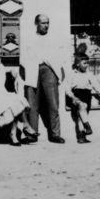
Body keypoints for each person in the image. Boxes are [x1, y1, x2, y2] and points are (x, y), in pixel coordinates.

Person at [19, 14, 67, 144]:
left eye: (47, 23)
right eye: (43, 23)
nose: (46, 25)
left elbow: (62, 55)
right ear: (36, 23)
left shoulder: (54, 38)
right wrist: (29, 66)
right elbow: (22, 56)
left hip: (49, 70)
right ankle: (31, 134)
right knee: (32, 103)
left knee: (53, 104)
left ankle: (55, 134)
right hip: (32, 70)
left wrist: (56, 69)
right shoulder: (29, 38)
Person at [0, 44, 36, 146]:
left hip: (3, 96)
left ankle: (14, 134)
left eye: (1, 53)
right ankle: (24, 127)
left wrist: (13, 71)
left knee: (15, 101)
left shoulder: (1, 67)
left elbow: (9, 71)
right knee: (14, 100)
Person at [66, 53, 100, 144]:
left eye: (88, 63)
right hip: (76, 95)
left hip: (87, 96)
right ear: (77, 63)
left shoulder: (89, 74)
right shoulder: (72, 74)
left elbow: (97, 86)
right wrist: (73, 98)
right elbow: (67, 89)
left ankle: (81, 136)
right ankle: (87, 127)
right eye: (85, 63)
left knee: (80, 115)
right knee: (81, 106)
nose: (87, 65)